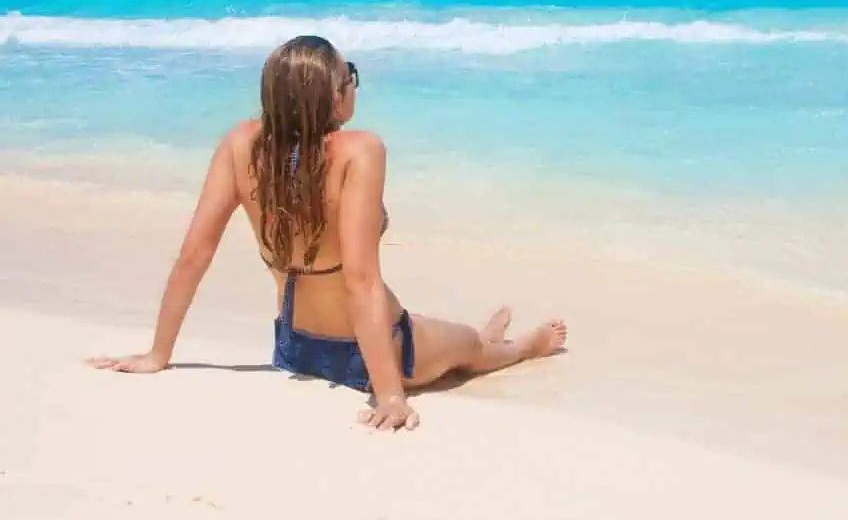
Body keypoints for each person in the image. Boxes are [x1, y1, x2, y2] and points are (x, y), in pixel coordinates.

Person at [87, 35, 568, 431]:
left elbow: (194, 255)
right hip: (379, 353)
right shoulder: (361, 150)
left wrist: (158, 354)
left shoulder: (240, 145)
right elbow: (360, 279)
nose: (354, 85)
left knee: (446, 333)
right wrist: (391, 395)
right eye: (349, 76)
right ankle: (521, 346)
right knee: (469, 348)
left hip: (295, 348)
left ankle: (484, 338)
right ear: (334, 97)